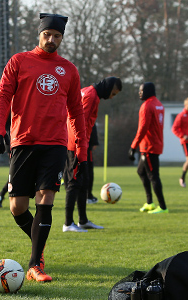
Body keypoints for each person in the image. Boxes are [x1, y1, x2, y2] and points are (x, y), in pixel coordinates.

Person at [0, 13, 88, 282]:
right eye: (48, 35)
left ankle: (35, 264)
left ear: (62, 38)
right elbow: (2, 96)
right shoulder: (19, 61)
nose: (52, 40)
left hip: (54, 144)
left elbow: (76, 111)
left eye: (57, 36)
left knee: (46, 198)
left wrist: (81, 146)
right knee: (17, 207)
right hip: (23, 141)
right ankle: (39, 247)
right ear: (39, 34)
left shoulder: (68, 69)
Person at [63, 77, 121, 232]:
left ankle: (83, 220)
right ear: (108, 88)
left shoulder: (87, 92)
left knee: (84, 182)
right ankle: (68, 223)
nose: (111, 97)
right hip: (76, 145)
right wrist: (80, 145)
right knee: (74, 182)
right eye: (113, 93)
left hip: (82, 145)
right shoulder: (91, 96)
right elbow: (80, 121)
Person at [128, 82, 168, 214]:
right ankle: (150, 202)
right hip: (156, 143)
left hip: (148, 146)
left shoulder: (146, 106)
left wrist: (133, 146)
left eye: (141, 90)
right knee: (141, 171)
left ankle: (162, 207)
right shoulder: (159, 104)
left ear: (148, 91)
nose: (139, 93)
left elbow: (142, 128)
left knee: (153, 176)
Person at [86, 124, 99, 204]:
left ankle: (73, 196)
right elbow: (91, 123)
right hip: (85, 147)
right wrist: (94, 142)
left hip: (70, 147)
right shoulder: (88, 112)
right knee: (88, 172)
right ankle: (88, 196)